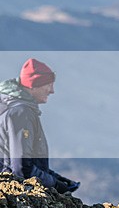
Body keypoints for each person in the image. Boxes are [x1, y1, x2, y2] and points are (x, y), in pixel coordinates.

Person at [0, 58, 79, 194]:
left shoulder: (9, 107)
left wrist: (56, 178)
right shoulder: (21, 113)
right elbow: (21, 168)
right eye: (48, 85)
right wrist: (55, 185)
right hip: (14, 193)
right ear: (33, 85)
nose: (52, 91)